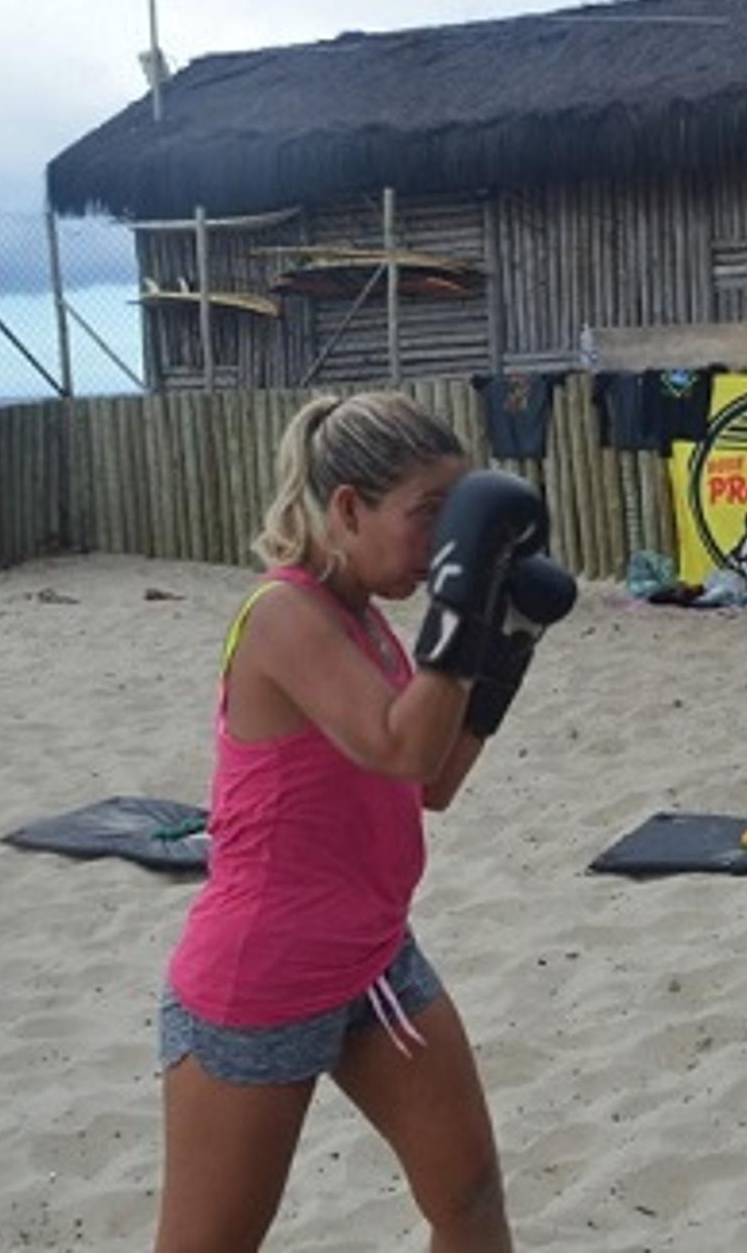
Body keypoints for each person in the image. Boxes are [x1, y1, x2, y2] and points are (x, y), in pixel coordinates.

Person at [154, 391, 576, 1253]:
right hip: (261, 981)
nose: (443, 547)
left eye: (453, 522)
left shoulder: (366, 621)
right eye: (429, 518)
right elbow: (400, 749)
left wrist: (511, 643)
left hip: (376, 961)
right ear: (348, 508)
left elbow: (433, 782)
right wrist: (467, 618)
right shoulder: (282, 617)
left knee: (471, 1199)